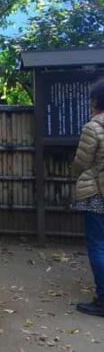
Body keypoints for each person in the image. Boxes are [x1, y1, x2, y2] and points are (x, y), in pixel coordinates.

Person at [72, 79, 104, 317]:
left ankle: (103, 299)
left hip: (97, 194)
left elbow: (81, 163)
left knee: (98, 244)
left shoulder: (93, 128)